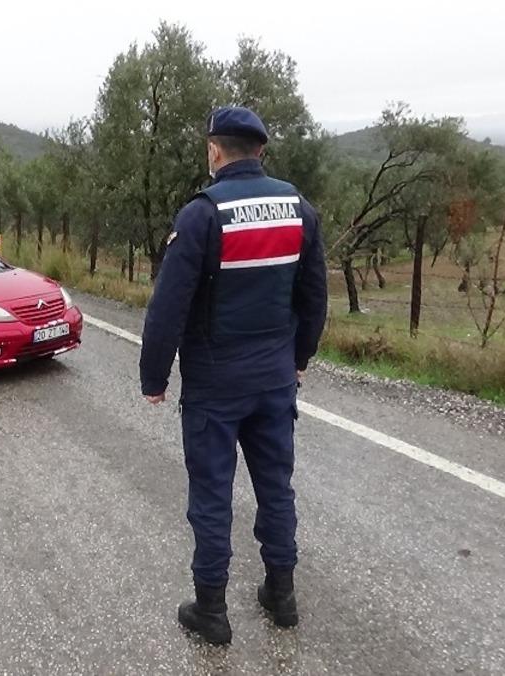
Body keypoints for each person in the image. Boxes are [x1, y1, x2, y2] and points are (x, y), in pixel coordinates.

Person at [139, 105, 328, 644]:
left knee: (212, 495)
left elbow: (168, 307)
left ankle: (212, 611)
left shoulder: (202, 214)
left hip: (215, 387)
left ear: (214, 151)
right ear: (261, 151)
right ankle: (282, 596)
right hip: (274, 380)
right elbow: (314, 298)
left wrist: (154, 376)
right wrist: (299, 359)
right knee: (276, 487)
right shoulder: (299, 209)